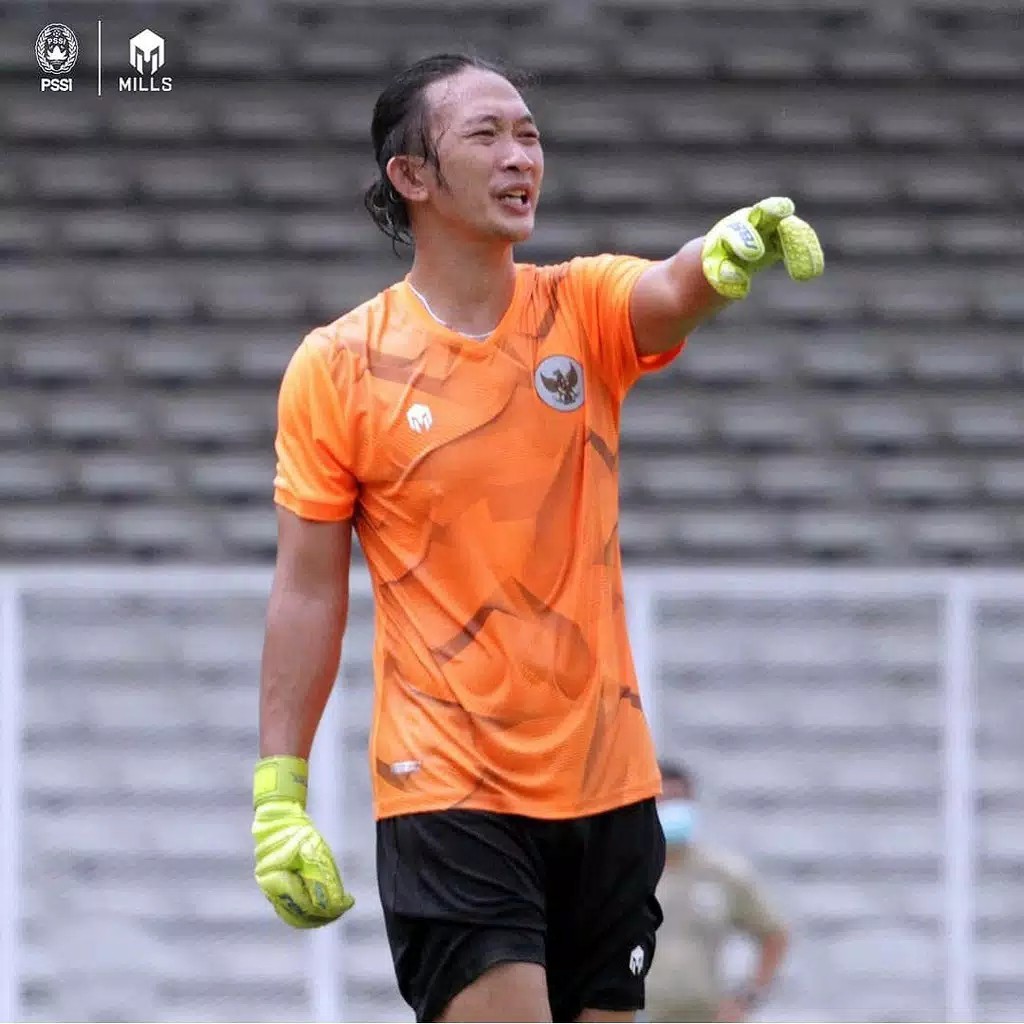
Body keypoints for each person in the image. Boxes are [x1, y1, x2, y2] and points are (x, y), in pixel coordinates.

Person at [250, 52, 822, 1024]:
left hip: (609, 788)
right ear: (411, 175)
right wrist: (279, 790)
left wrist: (719, 257)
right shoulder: (339, 366)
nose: (521, 156)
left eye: (529, 134)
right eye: (487, 134)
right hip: (446, 787)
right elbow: (308, 588)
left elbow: (669, 289)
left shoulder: (581, 306)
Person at [646, 762, 789, 1023]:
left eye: (678, 800)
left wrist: (747, 998)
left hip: (705, 1015)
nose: (670, 809)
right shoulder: (624, 875)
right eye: (662, 800)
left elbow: (774, 936)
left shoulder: (722, 873)